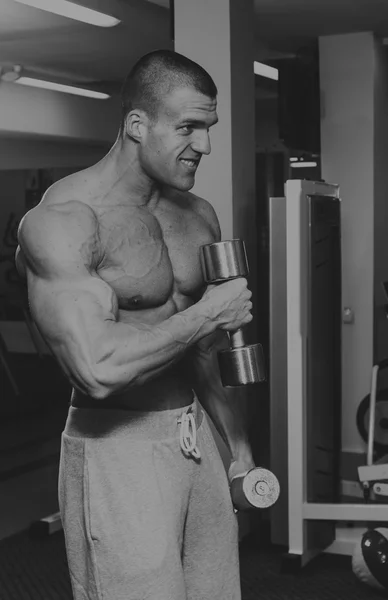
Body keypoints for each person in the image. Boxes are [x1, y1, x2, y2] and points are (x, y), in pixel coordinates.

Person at [15, 49, 256, 600]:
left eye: (209, 127)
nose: (205, 145)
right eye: (189, 127)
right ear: (136, 124)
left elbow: (204, 350)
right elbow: (95, 368)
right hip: (117, 449)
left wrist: (239, 448)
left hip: (197, 440)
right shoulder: (66, 219)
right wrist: (206, 314)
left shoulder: (197, 215)